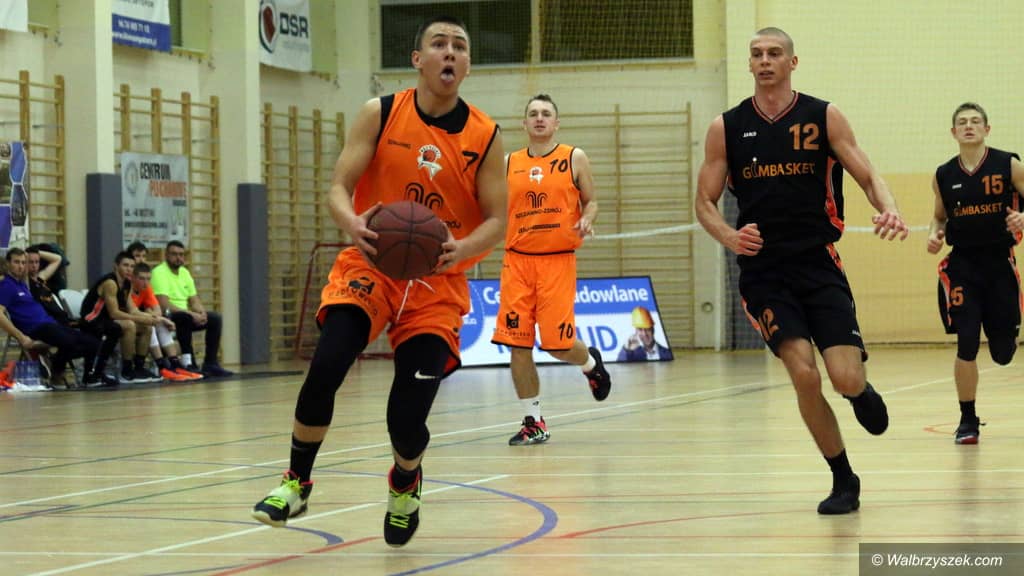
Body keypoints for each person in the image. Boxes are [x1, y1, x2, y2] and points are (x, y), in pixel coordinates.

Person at [250, 15, 507, 548]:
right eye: (439, 43)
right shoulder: (382, 112)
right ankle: (296, 482)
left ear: (466, 66)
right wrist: (353, 224)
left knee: (405, 421)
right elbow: (338, 188)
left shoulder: (485, 134)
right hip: (371, 266)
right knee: (325, 367)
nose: (450, 52)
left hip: (437, 283)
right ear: (418, 60)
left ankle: (406, 481)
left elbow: (498, 219)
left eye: (460, 46)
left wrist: (463, 249)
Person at [694, 27, 909, 515]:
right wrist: (728, 236)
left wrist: (890, 208)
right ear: (749, 63)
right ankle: (843, 478)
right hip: (764, 272)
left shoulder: (822, 115)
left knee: (843, 377)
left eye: (774, 53)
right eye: (757, 54)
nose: (764, 60)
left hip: (817, 263)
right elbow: (703, 200)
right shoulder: (726, 127)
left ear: (792, 62)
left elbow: (868, 175)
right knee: (805, 375)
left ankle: (859, 389)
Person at [490, 93, 611, 447]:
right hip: (517, 262)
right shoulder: (508, 163)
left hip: (557, 261)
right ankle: (533, 421)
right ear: (524, 123)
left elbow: (592, 201)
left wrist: (587, 218)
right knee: (517, 344)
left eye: (546, 113)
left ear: (557, 123)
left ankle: (590, 363)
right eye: (533, 113)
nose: (539, 118)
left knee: (558, 346)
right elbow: (491, 207)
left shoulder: (574, 158)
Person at [927, 102, 1024, 445]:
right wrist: (934, 234)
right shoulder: (944, 174)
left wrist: (1023, 217)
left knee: (1003, 353)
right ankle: (967, 419)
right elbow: (939, 217)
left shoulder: (1008, 164)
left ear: (987, 129)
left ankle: (1005, 338)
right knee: (966, 341)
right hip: (962, 268)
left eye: (975, 121)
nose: (969, 126)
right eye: (962, 122)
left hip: (999, 265)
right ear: (954, 132)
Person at [0, 248, 112, 388]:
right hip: (36, 328)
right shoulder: (6, 286)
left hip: (51, 324)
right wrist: (21, 337)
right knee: (69, 342)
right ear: (8, 264)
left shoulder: (23, 284)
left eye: (23, 262)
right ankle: (56, 373)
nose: (21, 266)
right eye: (16, 262)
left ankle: (62, 365)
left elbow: (56, 260)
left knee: (94, 343)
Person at [81, 251, 167, 384]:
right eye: (125, 265)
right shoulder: (110, 283)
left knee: (146, 327)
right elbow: (114, 313)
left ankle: (138, 368)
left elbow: (133, 310)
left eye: (132, 266)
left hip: (108, 320)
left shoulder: (127, 283)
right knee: (129, 325)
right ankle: (126, 371)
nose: (129, 269)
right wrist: (140, 318)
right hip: (93, 319)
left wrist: (155, 319)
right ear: (116, 266)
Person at [149, 240, 232, 377]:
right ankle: (189, 363)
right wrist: (191, 314)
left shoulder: (185, 273)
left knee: (215, 319)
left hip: (185, 315)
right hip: (168, 316)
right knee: (184, 317)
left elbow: (194, 299)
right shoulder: (159, 272)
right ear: (166, 255)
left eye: (181, 254)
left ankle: (210, 363)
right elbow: (163, 304)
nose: (178, 258)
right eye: (174, 254)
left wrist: (201, 312)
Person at [130, 261, 203, 382]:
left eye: (148, 279)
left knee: (160, 324)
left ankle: (175, 364)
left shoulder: (147, 289)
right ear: (133, 278)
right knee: (150, 325)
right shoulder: (127, 290)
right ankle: (162, 366)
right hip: (127, 321)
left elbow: (157, 310)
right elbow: (132, 312)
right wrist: (158, 318)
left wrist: (159, 318)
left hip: (140, 319)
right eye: (141, 278)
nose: (145, 282)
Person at [25, 245, 74, 327]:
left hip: (63, 319)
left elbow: (57, 259)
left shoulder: (41, 277)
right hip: (51, 322)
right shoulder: (25, 281)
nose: (34, 265)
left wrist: (36, 252)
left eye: (37, 262)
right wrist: (25, 254)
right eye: (31, 262)